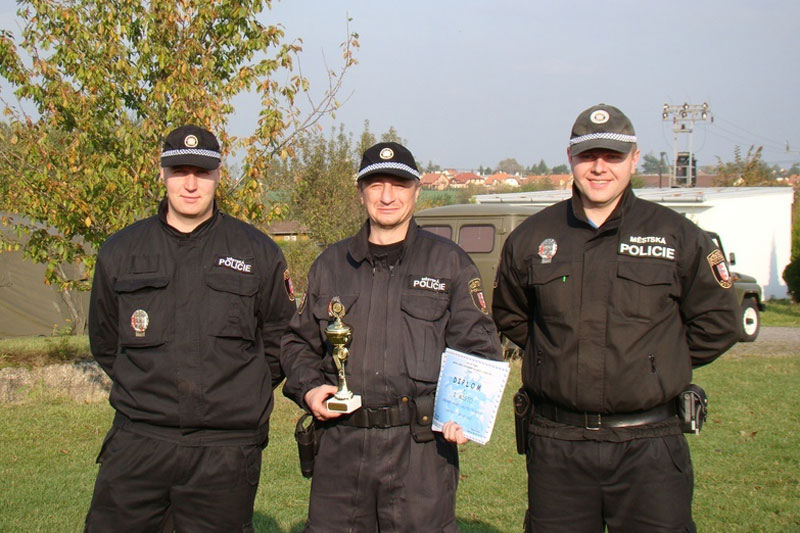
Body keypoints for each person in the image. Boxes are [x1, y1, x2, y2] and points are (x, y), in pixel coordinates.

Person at [493, 104, 740, 532]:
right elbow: (512, 315)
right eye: (588, 155)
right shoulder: (532, 238)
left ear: (634, 159)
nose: (599, 167)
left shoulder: (678, 235)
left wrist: (654, 364)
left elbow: (718, 322)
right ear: (570, 158)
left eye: (613, 156)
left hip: (649, 445)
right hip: (558, 445)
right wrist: (556, 357)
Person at [281, 142, 503, 532]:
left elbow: (479, 347)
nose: (387, 196)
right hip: (341, 447)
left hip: (420, 452)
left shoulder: (449, 263)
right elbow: (297, 343)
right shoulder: (330, 265)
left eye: (399, 184)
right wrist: (310, 389)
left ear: (416, 191)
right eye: (376, 184)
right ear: (360, 192)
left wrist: (465, 412)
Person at [85, 125, 296, 531]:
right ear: (161, 173)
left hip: (224, 450)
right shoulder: (120, 251)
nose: (191, 184)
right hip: (139, 442)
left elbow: (280, 340)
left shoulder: (257, 252)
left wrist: (234, 390)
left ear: (219, 175)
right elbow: (106, 340)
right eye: (180, 171)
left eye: (202, 172)